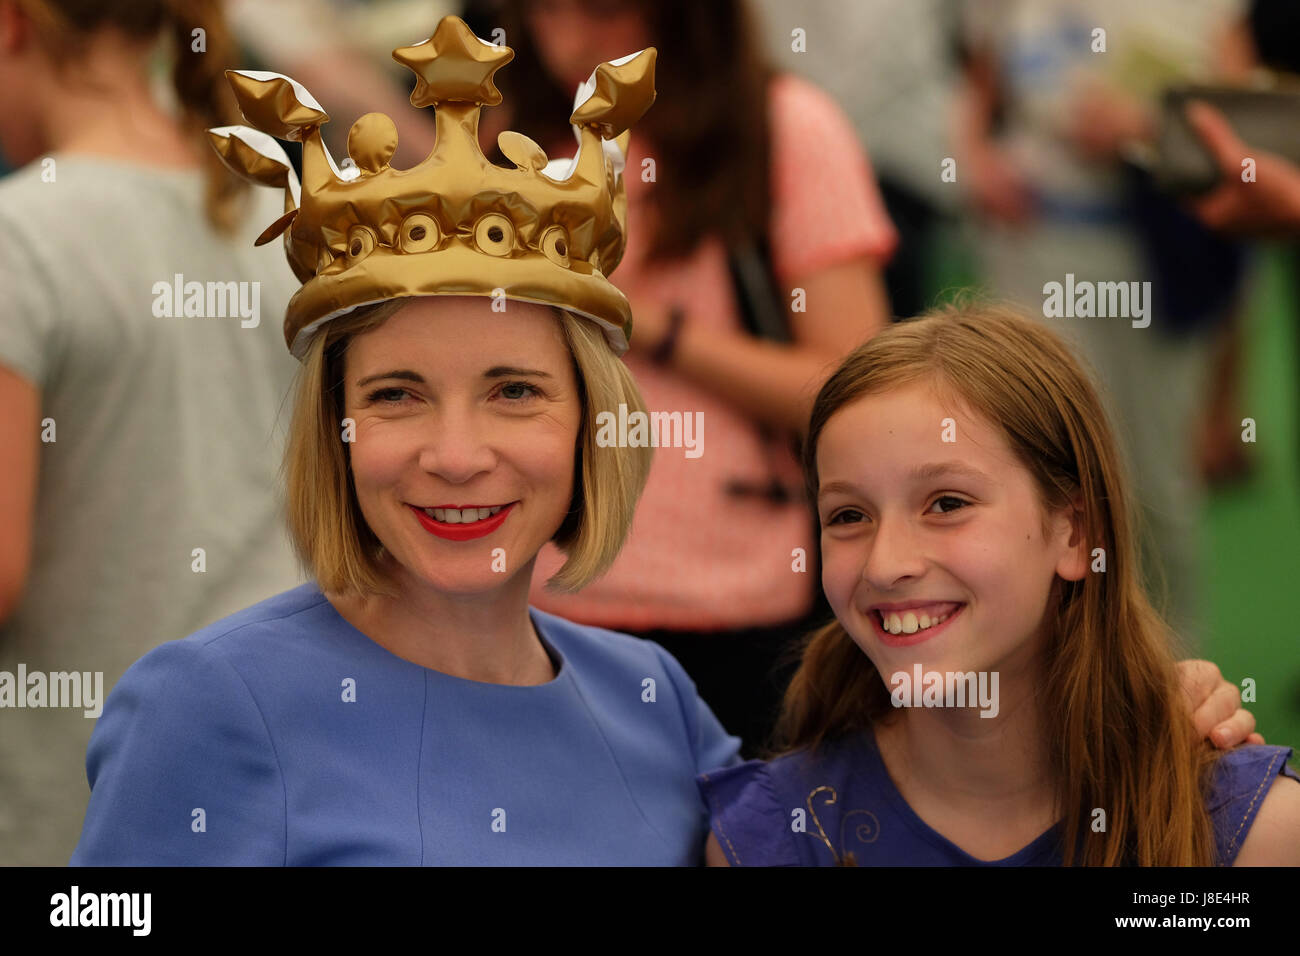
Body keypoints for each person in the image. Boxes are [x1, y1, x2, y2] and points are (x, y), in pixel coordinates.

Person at [71, 16, 742, 865]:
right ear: (335, 431)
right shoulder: (206, 704)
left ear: (591, 424)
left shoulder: (654, 698)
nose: (456, 456)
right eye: (396, 396)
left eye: (514, 392)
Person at [699, 304, 1298, 866]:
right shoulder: (772, 839)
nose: (885, 565)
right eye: (848, 516)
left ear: (1074, 533)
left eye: (947, 503)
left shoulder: (1248, 833)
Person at [473, 0, 898, 755]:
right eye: (542, 9)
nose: (570, 41)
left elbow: (855, 392)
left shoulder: (784, 128)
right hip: (539, 598)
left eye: (603, 12)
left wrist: (652, 325)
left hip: (739, 606)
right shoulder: (517, 135)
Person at [0, 0, 303, 865]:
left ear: (14, 22)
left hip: (81, 807)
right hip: (278, 777)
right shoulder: (284, 221)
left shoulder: (20, 239)